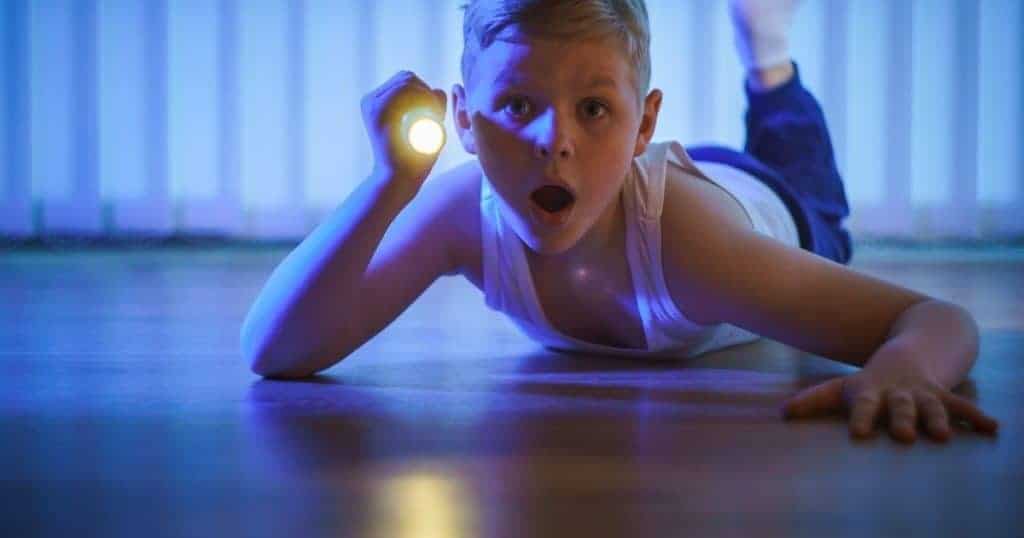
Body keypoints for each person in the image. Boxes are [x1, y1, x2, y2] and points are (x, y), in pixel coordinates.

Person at [240, 0, 999, 444]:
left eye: (592, 107)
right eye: (517, 106)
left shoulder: (700, 253)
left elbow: (933, 319)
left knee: (801, 162)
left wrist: (903, 367)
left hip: (765, 206)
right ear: (464, 119)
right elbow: (274, 349)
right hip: (635, 183)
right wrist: (387, 182)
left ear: (644, 126)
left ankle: (767, 58)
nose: (554, 140)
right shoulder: (464, 213)